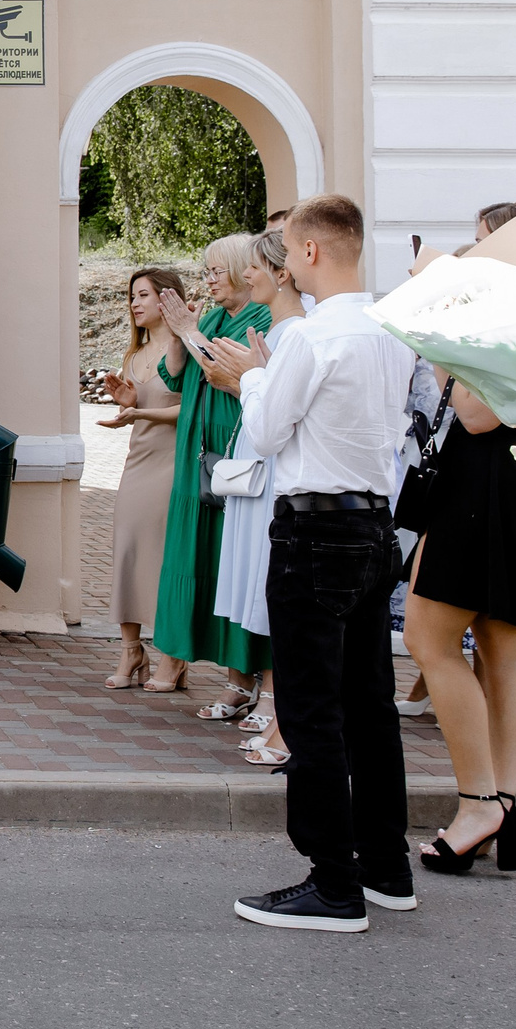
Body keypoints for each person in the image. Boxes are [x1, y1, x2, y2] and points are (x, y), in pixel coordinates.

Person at [206, 195, 417, 933]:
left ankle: (332, 878)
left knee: (310, 706)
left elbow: (264, 431)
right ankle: (385, 863)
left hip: (316, 529)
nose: (287, 263)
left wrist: (253, 375)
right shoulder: (392, 327)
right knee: (369, 700)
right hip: (373, 525)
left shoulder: (311, 336)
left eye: (290, 250)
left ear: (312, 251)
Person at [400, 371, 516, 874]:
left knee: (430, 641)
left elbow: (476, 414)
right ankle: (502, 808)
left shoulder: (500, 305)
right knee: (503, 650)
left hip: (483, 477)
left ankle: (480, 804)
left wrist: (442, 345)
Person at [150, 234, 274, 720]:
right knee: (204, 563)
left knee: (238, 564)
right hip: (196, 455)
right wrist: (178, 329)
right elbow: (177, 374)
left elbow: (222, 369)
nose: (209, 281)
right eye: (205, 272)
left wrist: (188, 331)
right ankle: (235, 681)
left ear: (246, 270)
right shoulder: (216, 316)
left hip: (234, 453)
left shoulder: (262, 318)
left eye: (216, 271)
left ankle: (253, 677)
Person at [206, 230, 309, 766]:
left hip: (277, 466)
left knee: (279, 591)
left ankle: (280, 713)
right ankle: (278, 710)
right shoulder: (281, 328)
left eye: (256, 268)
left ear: (281, 272)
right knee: (261, 585)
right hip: (259, 457)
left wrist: (245, 379)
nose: (247, 276)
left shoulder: (297, 332)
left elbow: (275, 423)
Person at [95, 267, 185, 690]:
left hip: (173, 467)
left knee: (165, 559)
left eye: (144, 295)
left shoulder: (183, 348)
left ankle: (173, 656)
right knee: (127, 551)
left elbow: (190, 412)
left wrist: (139, 411)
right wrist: (126, 406)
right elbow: (137, 411)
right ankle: (131, 650)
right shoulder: (133, 355)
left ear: (167, 300)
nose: (134, 303)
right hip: (137, 463)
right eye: (133, 295)